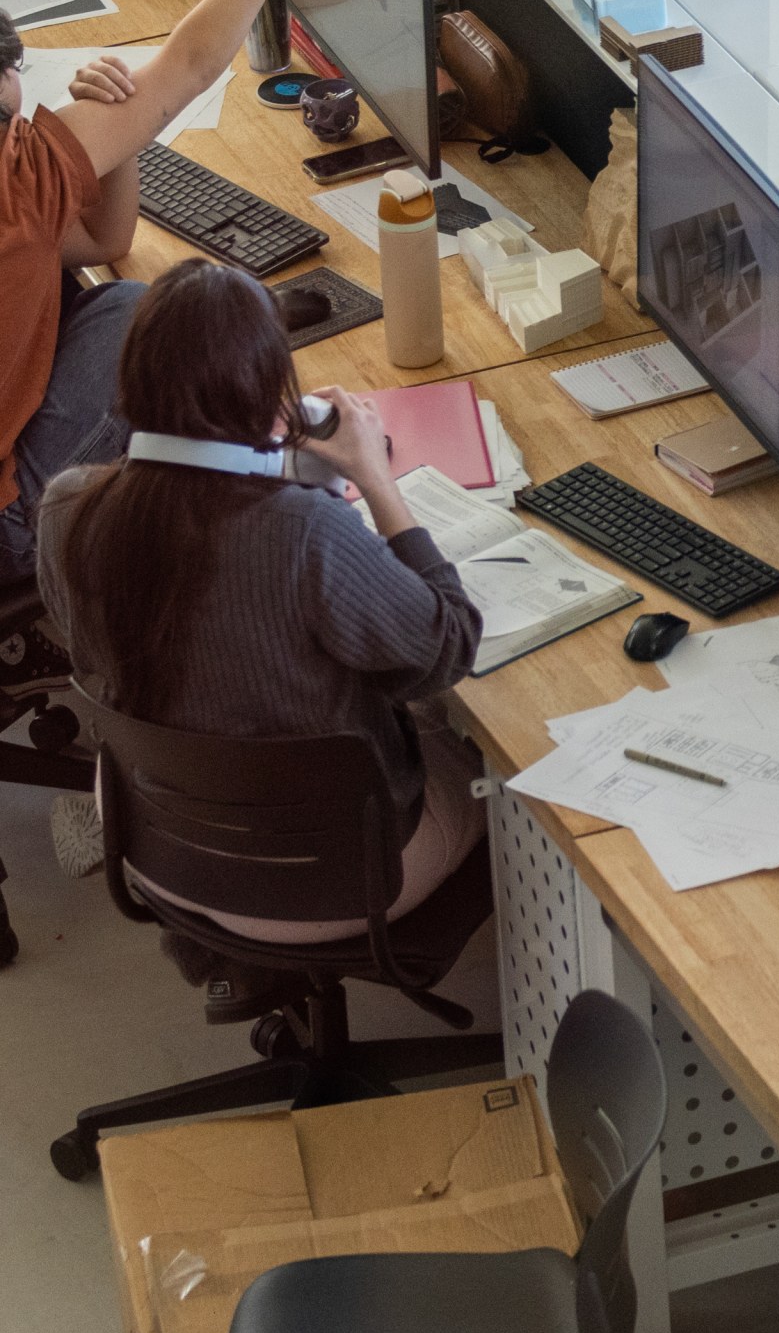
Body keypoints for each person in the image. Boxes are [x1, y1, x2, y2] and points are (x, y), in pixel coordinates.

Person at [37, 260, 485, 951]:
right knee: (484, 754)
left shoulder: (67, 504)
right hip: (331, 882)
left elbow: (89, 639)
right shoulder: (304, 529)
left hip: (164, 853)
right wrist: (375, 478)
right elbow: (448, 648)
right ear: (271, 395)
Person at [0, 0, 305, 583]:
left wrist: (118, 137)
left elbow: (101, 242)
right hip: (6, 527)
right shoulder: (19, 174)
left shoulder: (26, 188)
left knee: (120, 299)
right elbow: (193, 64)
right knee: (164, 326)